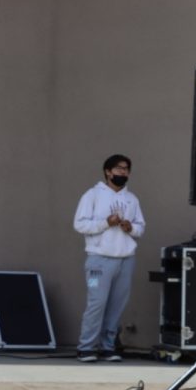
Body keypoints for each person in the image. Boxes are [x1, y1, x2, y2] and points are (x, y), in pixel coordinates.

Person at [73, 154, 145, 363]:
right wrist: (106, 222)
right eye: (118, 169)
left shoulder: (132, 199)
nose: (123, 172)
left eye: (126, 169)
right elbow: (80, 224)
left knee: (116, 305)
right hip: (98, 260)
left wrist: (130, 227)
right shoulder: (93, 195)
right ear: (108, 171)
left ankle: (107, 347)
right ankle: (86, 347)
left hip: (125, 259)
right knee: (97, 302)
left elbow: (141, 227)